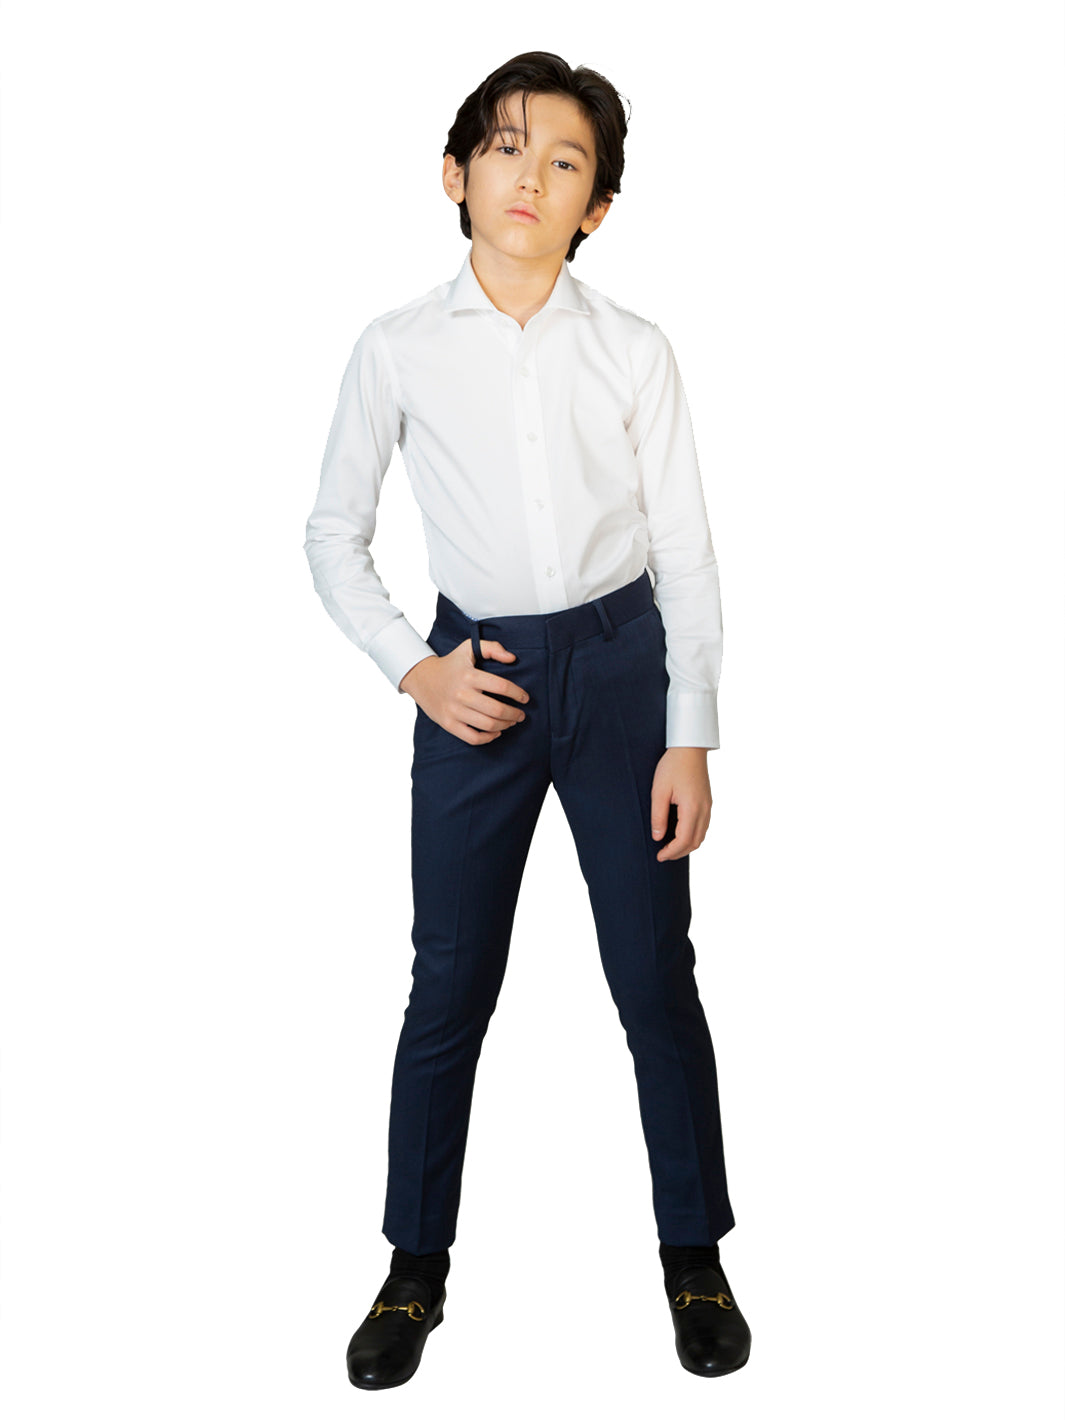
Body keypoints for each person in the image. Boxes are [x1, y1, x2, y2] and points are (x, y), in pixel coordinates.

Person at [302, 50, 752, 1388]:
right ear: (454, 174)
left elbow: (685, 549)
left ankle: (693, 1256)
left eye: (564, 161)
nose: (529, 175)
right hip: (475, 679)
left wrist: (689, 731)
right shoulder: (395, 348)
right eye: (504, 146)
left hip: (620, 675)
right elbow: (331, 534)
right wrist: (415, 669)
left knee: (653, 977)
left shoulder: (633, 350)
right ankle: (413, 1269)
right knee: (448, 981)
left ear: (594, 206)